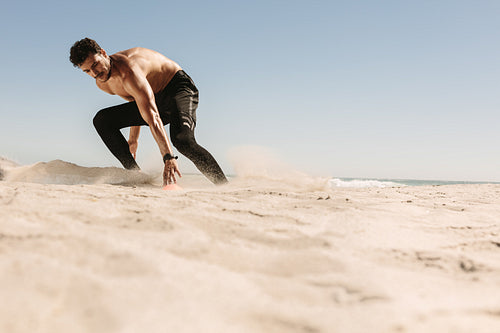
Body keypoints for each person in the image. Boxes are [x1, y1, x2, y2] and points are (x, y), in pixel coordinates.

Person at [69, 37, 228, 185]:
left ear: (103, 53)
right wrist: (133, 141)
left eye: (95, 64)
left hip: (177, 89)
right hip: (154, 99)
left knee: (182, 141)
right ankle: (134, 172)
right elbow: (137, 101)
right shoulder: (103, 83)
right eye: (87, 71)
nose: (94, 73)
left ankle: (223, 185)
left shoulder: (129, 71)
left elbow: (152, 116)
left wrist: (168, 156)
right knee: (102, 119)